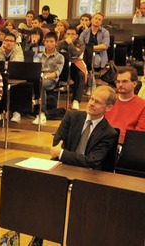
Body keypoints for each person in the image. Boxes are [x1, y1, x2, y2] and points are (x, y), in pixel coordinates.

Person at [37, 86, 119, 246]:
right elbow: (57, 146)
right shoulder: (71, 116)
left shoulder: (109, 133)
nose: (92, 103)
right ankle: (39, 235)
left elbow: (92, 161)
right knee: (42, 194)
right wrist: (64, 155)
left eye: (98, 102)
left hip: (88, 176)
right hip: (63, 169)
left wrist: (63, 154)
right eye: (92, 99)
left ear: (108, 107)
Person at [104, 67, 145, 143]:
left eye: (124, 81)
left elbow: (139, 134)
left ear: (134, 84)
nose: (120, 85)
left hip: (127, 145)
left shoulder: (143, 106)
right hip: (104, 141)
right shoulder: (108, 101)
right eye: (118, 81)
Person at [33, 32, 64, 125]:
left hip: (51, 79)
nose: (48, 44)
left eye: (51, 41)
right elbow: (34, 66)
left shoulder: (60, 57)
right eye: (46, 41)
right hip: (38, 76)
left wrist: (45, 76)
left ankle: (42, 113)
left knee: (41, 84)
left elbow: (57, 73)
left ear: (56, 43)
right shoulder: (38, 54)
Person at [57, 26, 87, 110]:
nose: (70, 36)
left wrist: (70, 44)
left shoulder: (80, 44)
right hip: (62, 66)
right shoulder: (60, 43)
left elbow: (75, 54)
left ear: (77, 36)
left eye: (73, 34)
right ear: (64, 35)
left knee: (80, 75)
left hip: (75, 65)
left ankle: (76, 100)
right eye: (68, 34)